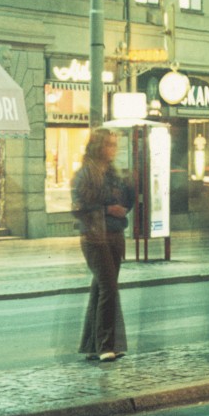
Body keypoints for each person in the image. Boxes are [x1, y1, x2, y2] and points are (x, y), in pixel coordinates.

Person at [72, 127, 134, 363]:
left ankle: (93, 344)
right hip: (95, 236)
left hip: (115, 234)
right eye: (108, 144)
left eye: (114, 144)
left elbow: (126, 199)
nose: (113, 149)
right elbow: (78, 207)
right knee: (108, 287)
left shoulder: (113, 173)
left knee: (101, 287)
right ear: (98, 146)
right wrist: (109, 209)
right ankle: (106, 345)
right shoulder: (86, 173)